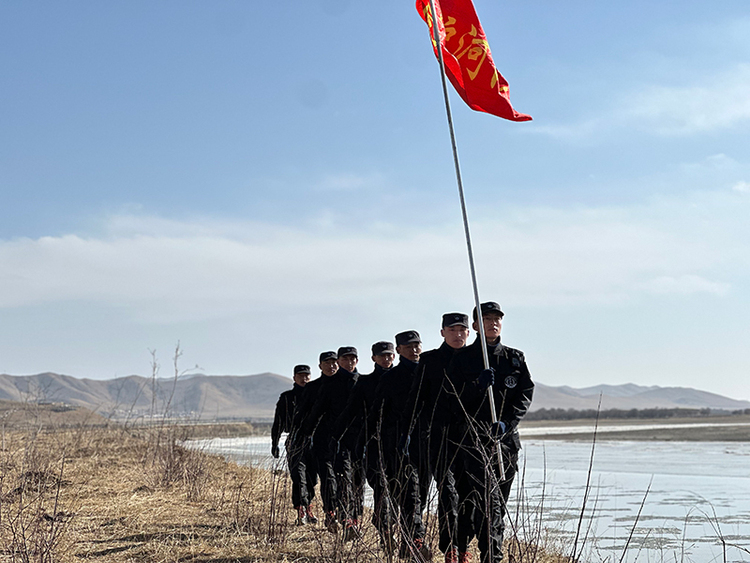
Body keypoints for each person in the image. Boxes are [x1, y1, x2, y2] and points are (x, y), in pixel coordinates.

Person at [447, 302, 534, 563]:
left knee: (498, 504)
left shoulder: (514, 358)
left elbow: (524, 395)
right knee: (488, 502)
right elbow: (453, 400)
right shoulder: (462, 359)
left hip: (505, 441)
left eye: (497, 319)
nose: (493, 323)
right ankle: (489, 556)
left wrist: (508, 423)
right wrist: (476, 385)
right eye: (486, 319)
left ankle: (484, 545)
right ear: (475, 326)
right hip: (473, 440)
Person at [404, 313, 470, 563]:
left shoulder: (476, 358)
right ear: (442, 332)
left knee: (468, 496)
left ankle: (462, 545)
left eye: (462, 330)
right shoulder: (430, 360)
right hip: (438, 437)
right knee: (448, 493)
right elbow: (416, 398)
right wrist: (407, 432)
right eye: (452, 330)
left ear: (468, 332)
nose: (457, 334)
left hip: (470, 439)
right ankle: (451, 548)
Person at [371, 330, 431, 560]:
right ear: (399, 350)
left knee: (421, 497)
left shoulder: (429, 372)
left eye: (417, 345)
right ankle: (416, 541)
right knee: (411, 496)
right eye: (408, 346)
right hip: (399, 447)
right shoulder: (390, 378)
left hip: (427, 444)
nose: (414, 349)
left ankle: (407, 539)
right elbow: (378, 412)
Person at [333, 341, 396, 550]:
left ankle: (388, 525)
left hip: (400, 446)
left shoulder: (404, 378)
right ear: (373, 359)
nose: (387, 359)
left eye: (390, 355)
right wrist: (336, 437)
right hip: (370, 445)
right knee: (381, 487)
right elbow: (349, 412)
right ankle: (385, 530)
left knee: (399, 491)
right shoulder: (365, 383)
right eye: (382, 356)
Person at [294, 351, 341, 532]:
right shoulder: (312, 388)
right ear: (320, 366)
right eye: (327, 363)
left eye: (334, 362)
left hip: (345, 441)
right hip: (320, 441)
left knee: (345, 479)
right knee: (327, 478)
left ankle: (345, 514)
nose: (331, 366)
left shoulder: (346, 383)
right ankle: (330, 513)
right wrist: (302, 436)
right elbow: (302, 414)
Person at [271, 364, 318, 524]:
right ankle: (300, 512)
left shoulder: (316, 393)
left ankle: (309, 510)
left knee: (312, 479)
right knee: (298, 477)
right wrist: (274, 443)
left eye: (307, 376)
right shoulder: (287, 397)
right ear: (294, 378)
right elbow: (278, 421)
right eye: (300, 376)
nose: (304, 378)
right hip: (294, 441)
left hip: (314, 441)